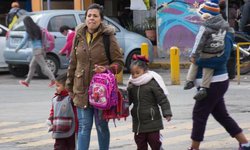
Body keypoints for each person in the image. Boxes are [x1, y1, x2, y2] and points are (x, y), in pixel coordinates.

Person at [187, 13, 250, 150]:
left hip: (214, 81)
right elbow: (196, 50)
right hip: (207, 83)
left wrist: (197, 60)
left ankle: (194, 147)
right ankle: (244, 143)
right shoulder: (206, 30)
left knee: (199, 114)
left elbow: (221, 59)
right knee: (221, 114)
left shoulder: (225, 34)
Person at [65, 3, 124, 150]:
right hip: (81, 89)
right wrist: (69, 85)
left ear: (101, 19)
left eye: (95, 16)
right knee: (84, 127)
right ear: (85, 18)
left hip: (101, 91)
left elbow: (119, 63)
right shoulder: (78, 35)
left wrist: (106, 69)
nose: (92, 18)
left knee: (101, 126)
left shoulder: (107, 37)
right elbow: (73, 61)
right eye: (89, 15)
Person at [184, 0, 232, 101]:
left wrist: (193, 55)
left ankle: (189, 80)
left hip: (204, 53)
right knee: (208, 69)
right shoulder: (224, 25)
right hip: (216, 52)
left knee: (195, 63)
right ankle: (204, 88)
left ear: (206, 16)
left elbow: (199, 42)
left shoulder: (205, 27)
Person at [127, 55, 172, 150]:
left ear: (145, 71)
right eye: (132, 73)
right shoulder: (132, 85)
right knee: (140, 143)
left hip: (152, 120)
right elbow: (128, 101)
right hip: (138, 122)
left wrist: (167, 113)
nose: (134, 75)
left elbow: (162, 99)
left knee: (154, 142)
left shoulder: (152, 83)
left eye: (137, 73)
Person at [15, 16, 55, 87]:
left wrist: (17, 48)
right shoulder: (38, 28)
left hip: (37, 51)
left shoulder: (29, 30)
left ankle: (53, 80)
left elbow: (24, 41)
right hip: (41, 49)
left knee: (44, 66)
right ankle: (27, 82)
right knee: (32, 65)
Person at [47, 73, 77, 150]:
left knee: (71, 147)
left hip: (71, 130)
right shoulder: (55, 99)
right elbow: (53, 111)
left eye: (58, 86)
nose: (56, 88)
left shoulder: (71, 99)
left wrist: (77, 127)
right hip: (58, 129)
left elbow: (76, 113)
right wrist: (50, 120)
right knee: (58, 146)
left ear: (66, 86)